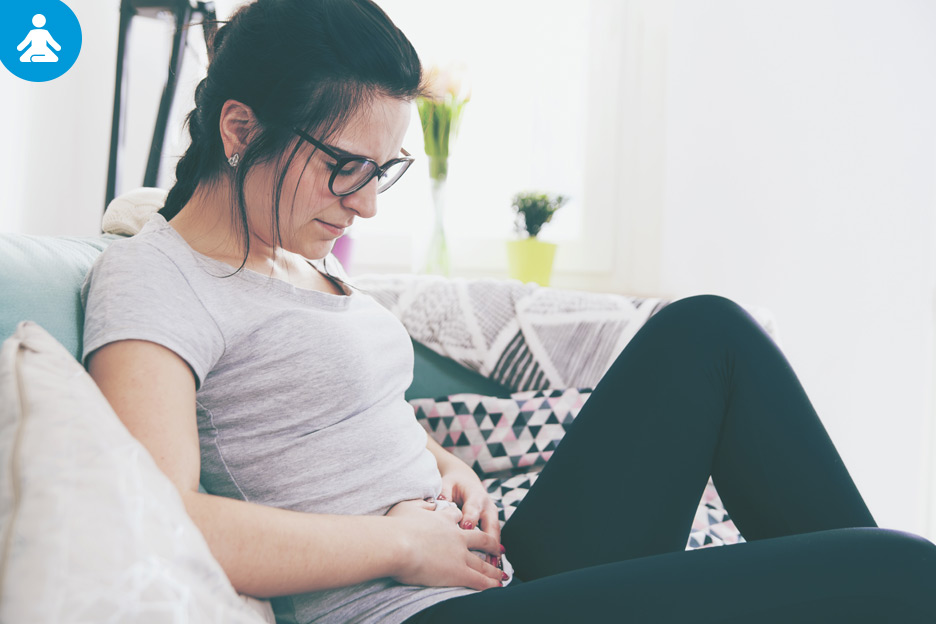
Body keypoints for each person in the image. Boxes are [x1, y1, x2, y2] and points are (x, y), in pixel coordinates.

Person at [81, 0, 936, 622]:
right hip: (398, 611)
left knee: (706, 333)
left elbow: (331, 415)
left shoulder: (294, 257)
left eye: (383, 172)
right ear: (240, 129)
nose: (367, 206)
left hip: (484, 574)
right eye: (347, 166)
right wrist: (400, 546)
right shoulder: (154, 280)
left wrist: (440, 460)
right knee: (901, 573)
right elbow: (164, 517)